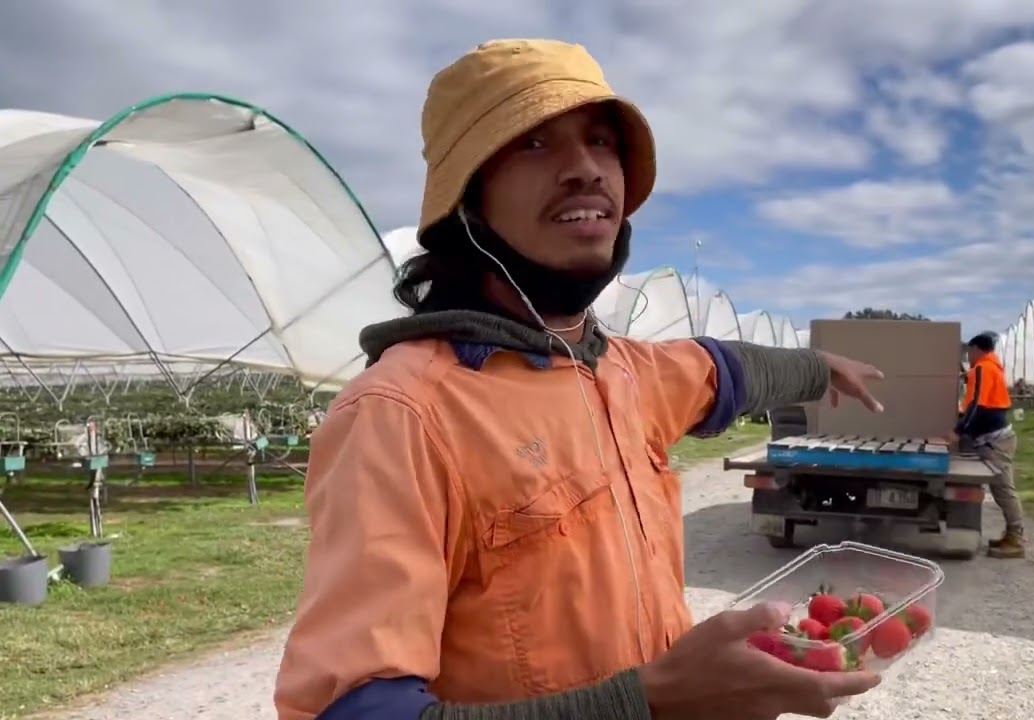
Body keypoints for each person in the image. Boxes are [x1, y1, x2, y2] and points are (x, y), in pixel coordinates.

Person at [273, 38, 887, 720]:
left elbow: (726, 369)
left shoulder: (623, 371)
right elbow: (353, 709)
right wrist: (653, 701)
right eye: (533, 143)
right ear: (467, 203)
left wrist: (820, 368)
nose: (586, 169)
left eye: (601, 141)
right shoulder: (402, 414)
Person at [948, 331, 1024, 559]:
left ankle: (1016, 538)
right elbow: (976, 401)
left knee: (1003, 489)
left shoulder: (983, 368)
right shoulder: (990, 368)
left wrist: (957, 431)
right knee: (1002, 489)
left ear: (976, 349)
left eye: (969, 352)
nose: (968, 357)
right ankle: (1012, 535)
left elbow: (977, 406)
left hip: (996, 441)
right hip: (995, 438)